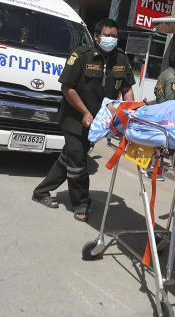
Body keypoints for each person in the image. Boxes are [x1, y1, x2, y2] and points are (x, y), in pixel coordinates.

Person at [32, 18, 135, 222]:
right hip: (74, 117)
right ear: (97, 37)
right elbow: (67, 87)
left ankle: (41, 191)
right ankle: (81, 202)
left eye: (114, 36)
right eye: (107, 36)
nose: (111, 39)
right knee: (78, 160)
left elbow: (127, 89)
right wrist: (85, 113)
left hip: (98, 122)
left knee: (69, 156)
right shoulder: (81, 55)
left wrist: (128, 112)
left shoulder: (121, 59)